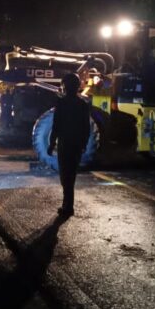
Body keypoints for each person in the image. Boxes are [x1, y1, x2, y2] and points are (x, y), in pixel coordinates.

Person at [47, 73, 90, 217]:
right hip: (76, 145)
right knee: (71, 175)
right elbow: (86, 127)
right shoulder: (83, 105)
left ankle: (68, 207)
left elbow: (56, 125)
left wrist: (51, 144)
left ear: (65, 86)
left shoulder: (62, 103)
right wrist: (84, 143)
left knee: (65, 176)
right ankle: (67, 205)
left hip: (65, 144)